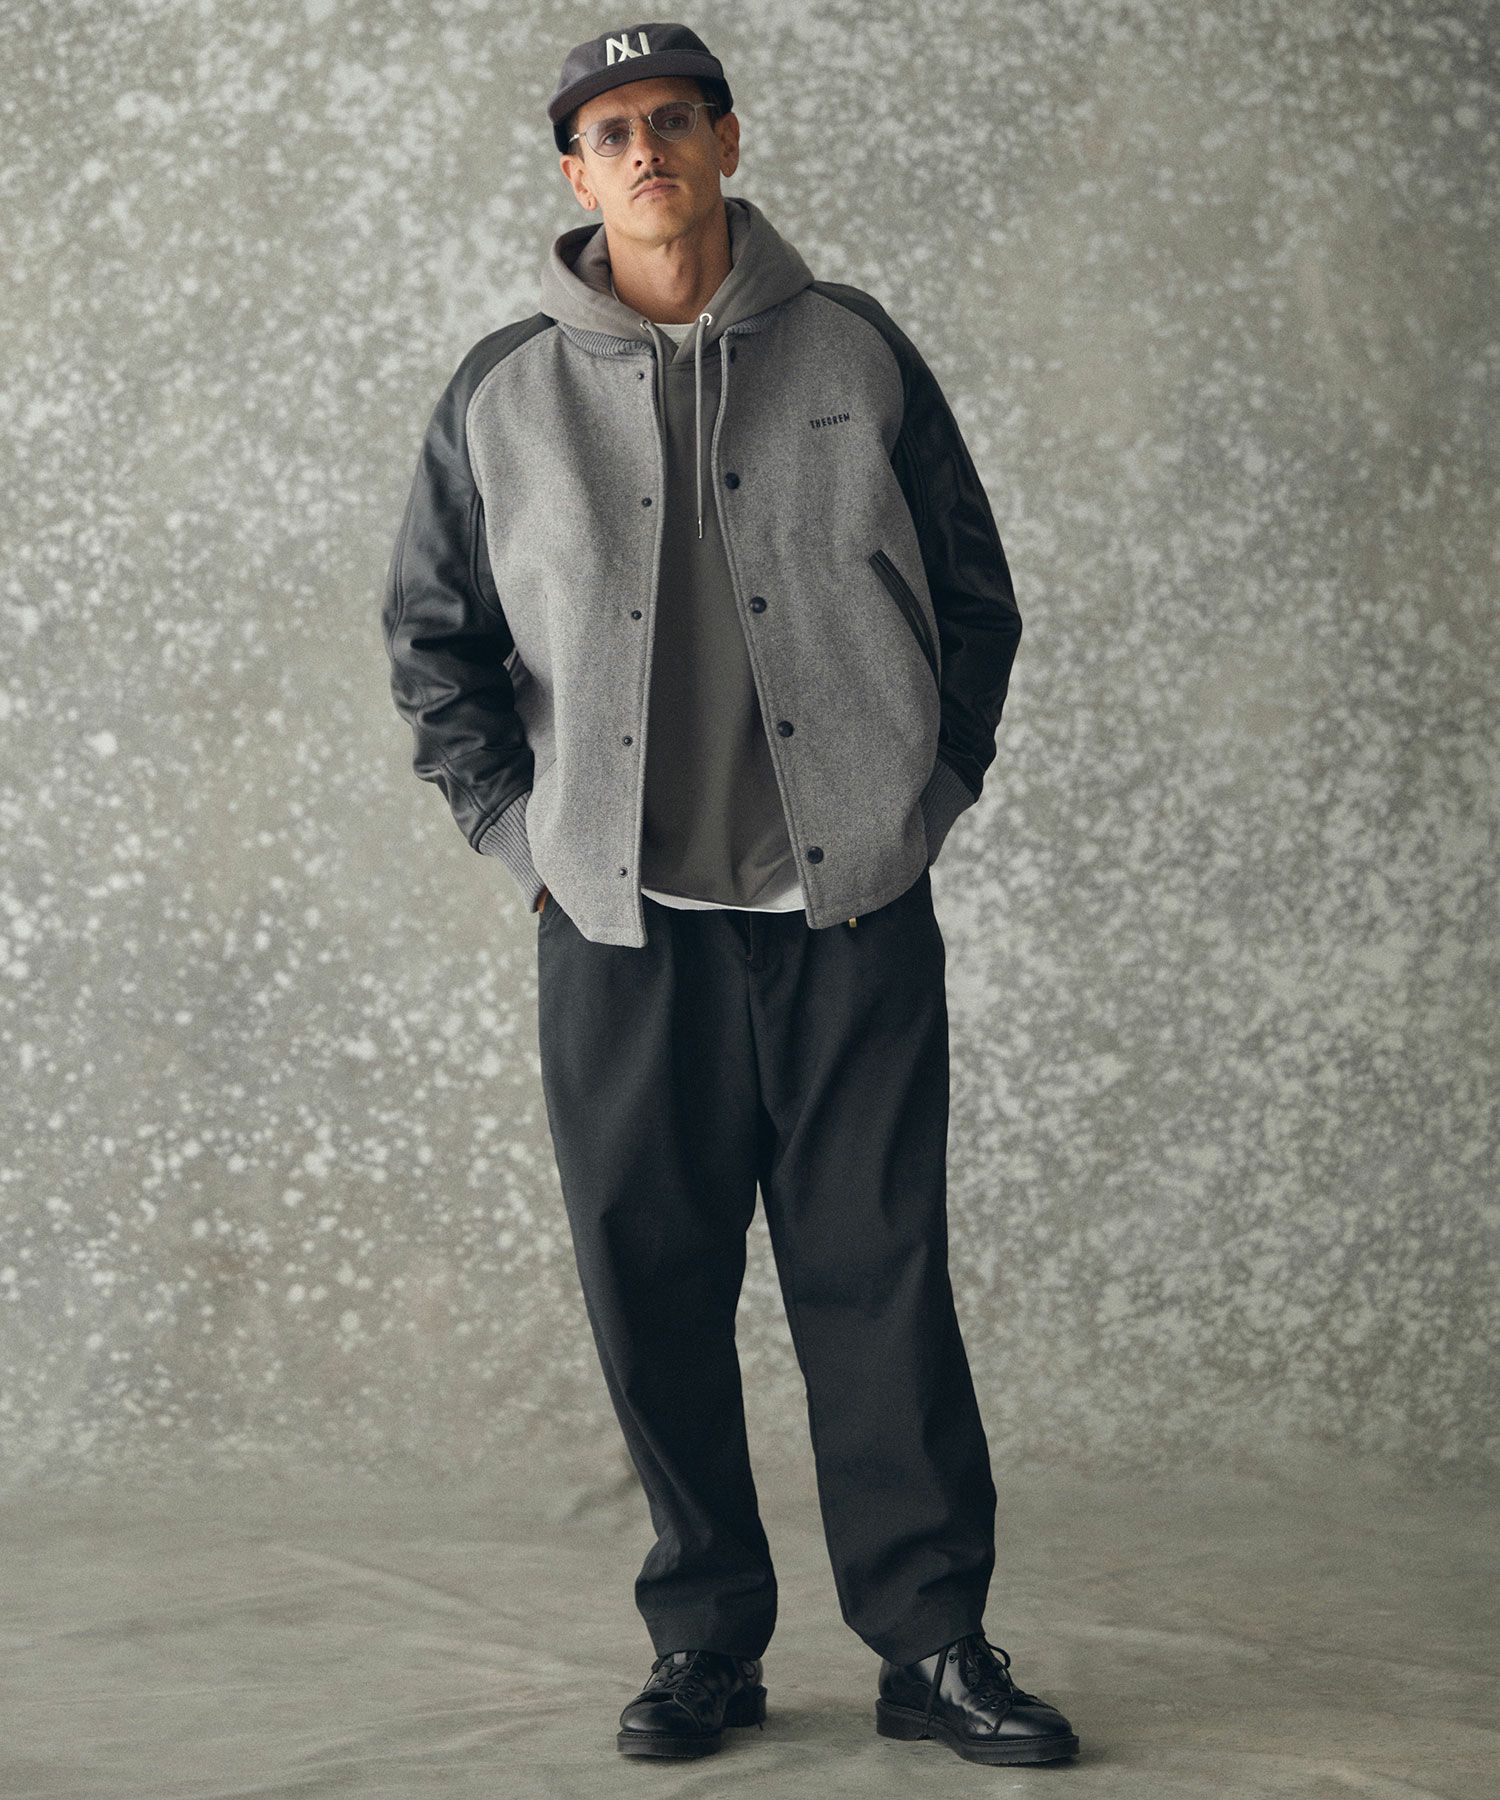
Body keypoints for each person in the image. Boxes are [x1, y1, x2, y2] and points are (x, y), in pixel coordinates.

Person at [381, 20, 1080, 1769]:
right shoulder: (503, 390)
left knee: (882, 1285)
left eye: (675, 119)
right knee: (655, 1294)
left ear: (728, 142)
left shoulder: (855, 349)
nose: (647, 150)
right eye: (611, 130)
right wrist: (525, 846)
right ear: (576, 173)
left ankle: (932, 1648)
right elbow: (435, 646)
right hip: (623, 937)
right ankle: (705, 1644)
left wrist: (923, 803)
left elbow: (976, 600)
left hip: (847, 922)